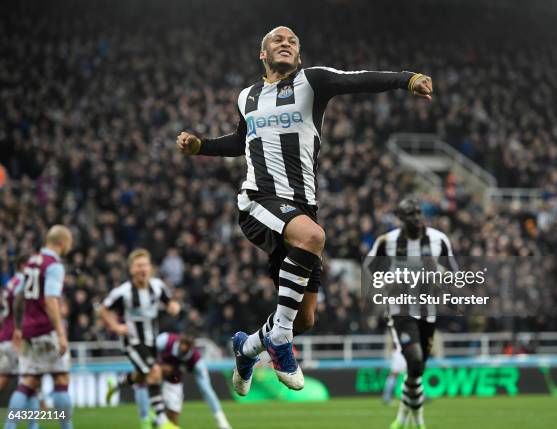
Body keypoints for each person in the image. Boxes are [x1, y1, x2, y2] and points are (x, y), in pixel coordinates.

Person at [176, 25, 433, 396]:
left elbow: (359, 80)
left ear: (299, 55)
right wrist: (200, 146)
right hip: (258, 200)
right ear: (263, 54)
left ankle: (248, 347)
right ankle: (279, 339)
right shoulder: (247, 96)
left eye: (292, 41)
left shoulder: (313, 82)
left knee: (307, 318)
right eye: (277, 41)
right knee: (313, 237)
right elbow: (241, 140)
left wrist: (406, 79)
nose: (286, 43)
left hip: (301, 207)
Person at [368, 197, 456, 429]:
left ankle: (403, 419)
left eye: (418, 213)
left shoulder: (439, 240)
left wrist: (439, 274)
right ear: (400, 219)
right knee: (414, 361)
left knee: (415, 373)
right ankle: (419, 423)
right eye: (410, 214)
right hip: (401, 311)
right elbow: (372, 269)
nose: (416, 218)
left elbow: (453, 273)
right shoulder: (387, 241)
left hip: (428, 313)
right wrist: (389, 281)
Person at [100, 248, 181, 429]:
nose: (142, 269)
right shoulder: (123, 291)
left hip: (151, 340)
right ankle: (161, 420)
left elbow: (170, 302)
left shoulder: (157, 286)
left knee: (142, 375)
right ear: (131, 269)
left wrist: (174, 307)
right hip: (132, 341)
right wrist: (115, 326)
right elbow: (103, 309)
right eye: (138, 266)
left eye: (145, 265)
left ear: (150, 268)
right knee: (154, 372)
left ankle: (119, 382)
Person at [5, 225, 74, 429]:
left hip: (28, 331)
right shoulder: (54, 265)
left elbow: (18, 297)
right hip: (46, 330)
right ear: (62, 242)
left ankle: (10, 426)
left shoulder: (31, 263)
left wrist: (18, 327)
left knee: (28, 382)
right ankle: (66, 427)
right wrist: (60, 333)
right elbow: (51, 300)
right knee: (60, 378)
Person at [156, 331, 231, 429]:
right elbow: (147, 351)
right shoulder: (166, 340)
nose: (182, 348)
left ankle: (222, 422)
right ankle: (147, 419)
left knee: (175, 409)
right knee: (151, 376)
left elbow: (206, 390)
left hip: (173, 381)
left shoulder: (196, 360)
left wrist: (221, 421)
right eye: (181, 345)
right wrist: (159, 365)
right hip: (154, 372)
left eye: (186, 347)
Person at [0, 255, 27, 393]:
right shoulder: (22, 281)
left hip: (5, 334)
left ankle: (43, 411)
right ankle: (45, 413)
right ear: (23, 265)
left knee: (5, 376)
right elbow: (19, 303)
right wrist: (18, 329)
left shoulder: (10, 282)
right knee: (30, 377)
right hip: (15, 336)